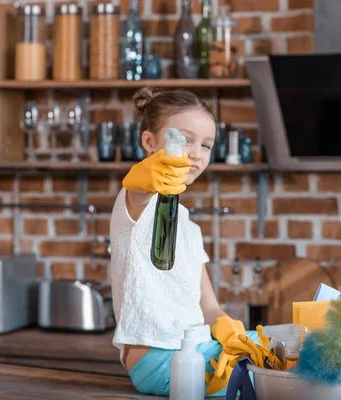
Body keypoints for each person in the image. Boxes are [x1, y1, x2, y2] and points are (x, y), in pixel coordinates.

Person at [109, 88, 258, 397]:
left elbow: (209, 306)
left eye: (206, 145)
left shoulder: (189, 227)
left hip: (198, 346)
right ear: (149, 142)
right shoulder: (136, 203)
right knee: (278, 378)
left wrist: (227, 327)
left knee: (276, 351)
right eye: (184, 139)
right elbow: (138, 189)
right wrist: (138, 178)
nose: (195, 153)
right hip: (159, 361)